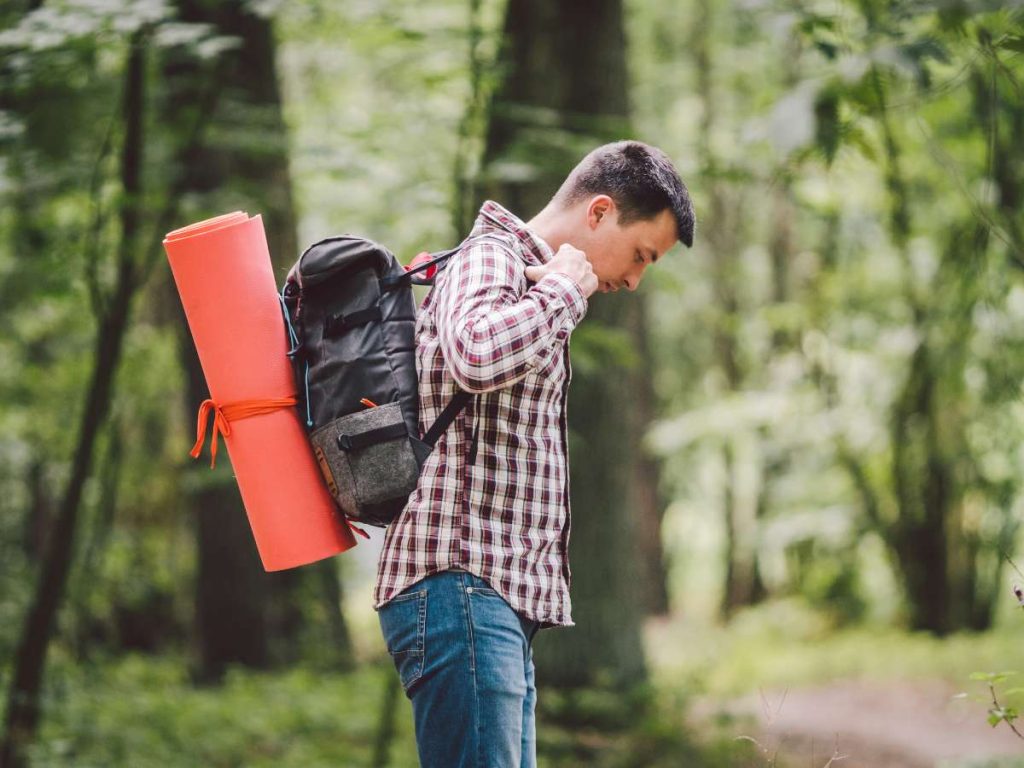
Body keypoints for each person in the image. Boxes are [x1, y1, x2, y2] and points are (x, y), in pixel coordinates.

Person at [373, 140, 695, 767]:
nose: (633, 280)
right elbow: (475, 354)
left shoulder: (529, 282)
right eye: (640, 256)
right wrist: (566, 294)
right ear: (598, 212)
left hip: (490, 599)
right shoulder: (491, 257)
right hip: (460, 584)